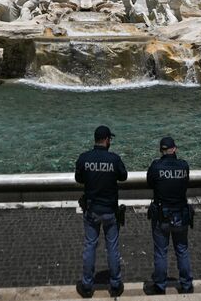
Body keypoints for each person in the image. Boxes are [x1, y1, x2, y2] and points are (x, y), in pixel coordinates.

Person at [75, 125, 128, 298]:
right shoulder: (114, 159)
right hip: (110, 211)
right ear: (106, 140)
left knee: (90, 246)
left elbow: (79, 178)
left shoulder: (84, 158)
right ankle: (115, 284)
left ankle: (87, 285)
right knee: (112, 247)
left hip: (91, 210)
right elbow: (124, 176)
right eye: (110, 139)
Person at [144, 137, 194, 295]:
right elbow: (185, 182)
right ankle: (186, 284)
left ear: (161, 150)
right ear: (175, 149)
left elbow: (150, 183)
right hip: (181, 213)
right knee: (182, 250)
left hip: (162, 215)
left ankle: (160, 285)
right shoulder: (183, 166)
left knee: (161, 252)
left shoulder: (156, 166)